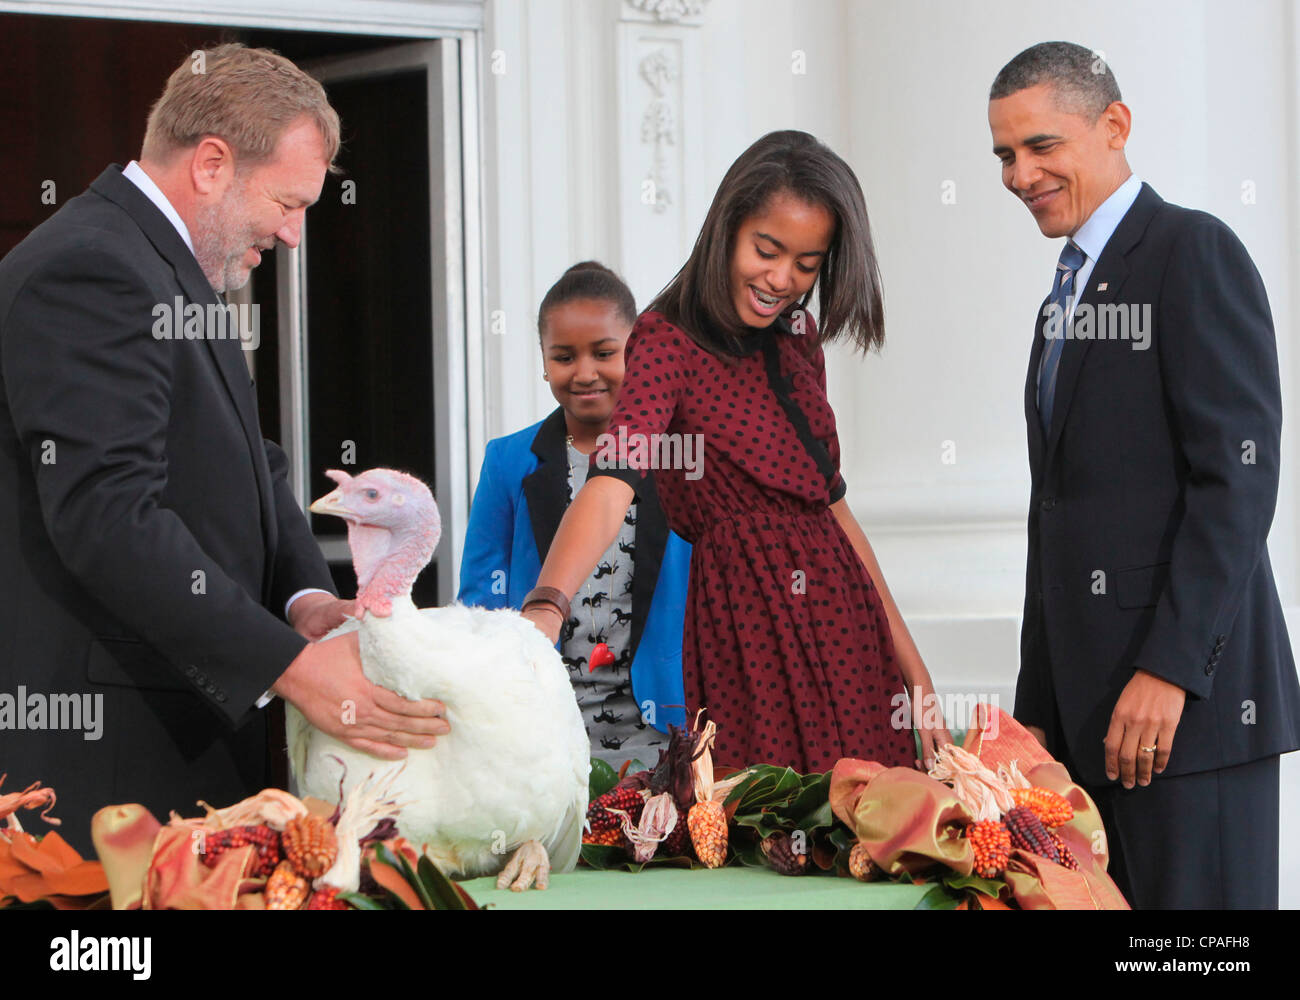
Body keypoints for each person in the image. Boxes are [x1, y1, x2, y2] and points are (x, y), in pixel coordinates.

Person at [0, 44, 447, 855]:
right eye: (287, 201)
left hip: (179, 753)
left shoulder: (172, 268)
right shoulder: (91, 268)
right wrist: (292, 668)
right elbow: (108, 515)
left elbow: (254, 463)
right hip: (109, 774)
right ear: (211, 164)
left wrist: (306, 602)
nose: (294, 234)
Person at [519, 131, 950, 774]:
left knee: (874, 818)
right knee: (775, 825)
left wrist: (915, 675)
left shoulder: (801, 337)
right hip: (745, 629)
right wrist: (547, 604)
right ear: (728, 227)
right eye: (767, 250)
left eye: (807, 263)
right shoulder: (665, 339)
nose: (783, 279)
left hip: (846, 625)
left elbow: (832, 509)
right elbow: (612, 484)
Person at [988, 41, 1300, 908]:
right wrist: (1033, 711)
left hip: (1192, 718)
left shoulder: (1192, 250)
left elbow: (1236, 481)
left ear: (1115, 126)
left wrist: (1169, 671)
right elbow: (1058, 515)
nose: (1020, 174)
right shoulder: (1062, 299)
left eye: (1041, 146)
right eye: (1005, 155)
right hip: (1084, 731)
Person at [458, 261, 691, 769]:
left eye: (604, 353)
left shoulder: (680, 456)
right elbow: (480, 600)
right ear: (544, 363)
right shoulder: (508, 461)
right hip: (542, 732)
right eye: (563, 357)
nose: (584, 373)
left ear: (638, 352)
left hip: (666, 731)